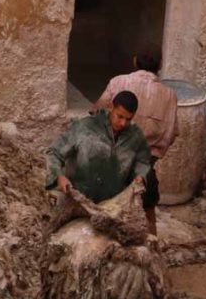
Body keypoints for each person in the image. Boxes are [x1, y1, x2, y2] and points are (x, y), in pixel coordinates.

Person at [94, 52, 178, 235]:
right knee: (148, 215)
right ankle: (152, 252)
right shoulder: (170, 95)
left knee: (103, 215)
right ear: (160, 65)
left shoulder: (118, 82)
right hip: (145, 165)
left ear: (134, 61)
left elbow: (96, 113)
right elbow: (171, 134)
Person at [47, 90, 152, 203]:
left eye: (128, 119)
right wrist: (59, 176)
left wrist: (140, 175)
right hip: (79, 200)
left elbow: (143, 160)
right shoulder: (84, 127)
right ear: (111, 107)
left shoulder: (136, 136)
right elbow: (54, 152)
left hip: (114, 204)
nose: (123, 123)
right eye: (120, 116)